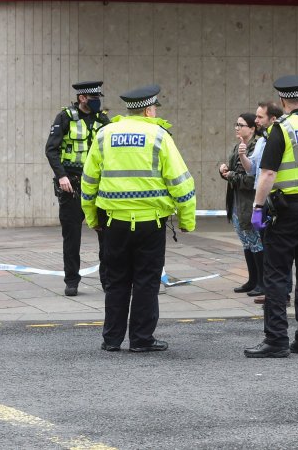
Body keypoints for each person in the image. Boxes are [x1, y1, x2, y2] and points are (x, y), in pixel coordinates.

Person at [80, 84, 196, 353]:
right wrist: (187, 219)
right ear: (148, 109)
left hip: (113, 223)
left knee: (116, 281)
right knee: (146, 281)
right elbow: (180, 181)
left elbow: (88, 181)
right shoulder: (159, 136)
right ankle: (142, 339)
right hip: (150, 224)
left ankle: (111, 339)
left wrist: (91, 218)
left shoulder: (104, 135)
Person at [244, 75, 298, 358]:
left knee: (277, 275)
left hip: (288, 210)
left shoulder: (282, 129)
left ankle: (276, 340)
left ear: (283, 102)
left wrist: (257, 208)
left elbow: (268, 173)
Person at [44, 80, 110, 297]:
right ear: (82, 98)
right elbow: (51, 150)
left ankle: (107, 280)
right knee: (72, 237)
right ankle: (72, 281)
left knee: (105, 235)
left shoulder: (103, 120)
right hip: (72, 184)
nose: (97, 103)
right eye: (93, 99)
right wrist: (61, 176)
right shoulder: (65, 117)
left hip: (98, 185)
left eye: (98, 99)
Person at [243, 100, 284, 303]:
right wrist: (243, 156)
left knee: (276, 248)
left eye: (260, 117)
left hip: (274, 201)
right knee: (266, 244)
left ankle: (281, 294)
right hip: (261, 200)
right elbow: (253, 169)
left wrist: (258, 206)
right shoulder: (261, 141)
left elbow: (269, 173)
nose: (256, 119)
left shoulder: (279, 139)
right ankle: (271, 290)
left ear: (273, 119)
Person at [219, 113, 262, 295]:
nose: (237, 127)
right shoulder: (238, 146)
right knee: (246, 243)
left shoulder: (256, 146)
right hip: (237, 202)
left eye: (241, 125)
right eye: (236, 124)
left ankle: (262, 282)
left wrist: (231, 176)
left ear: (252, 128)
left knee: (256, 243)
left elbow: (252, 179)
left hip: (249, 202)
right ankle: (252, 280)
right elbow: (235, 172)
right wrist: (223, 170)